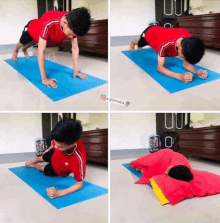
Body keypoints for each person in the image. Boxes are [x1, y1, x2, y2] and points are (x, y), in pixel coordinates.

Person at [11, 7, 91, 88]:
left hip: (41, 37)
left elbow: (75, 48)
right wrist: (44, 79)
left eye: (73, 35)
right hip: (32, 29)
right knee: (22, 43)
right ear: (65, 22)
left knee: (32, 43)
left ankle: (24, 49)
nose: (71, 37)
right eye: (70, 34)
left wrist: (76, 71)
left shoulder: (73, 22)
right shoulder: (49, 21)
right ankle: (16, 50)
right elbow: (41, 52)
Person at [25, 119, 86, 199]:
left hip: (58, 168)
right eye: (55, 142)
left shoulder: (78, 159)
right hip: (55, 154)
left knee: (41, 168)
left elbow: (79, 184)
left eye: (59, 146)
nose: (55, 146)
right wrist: (48, 149)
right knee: (40, 158)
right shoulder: (59, 140)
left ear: (72, 144)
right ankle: (35, 161)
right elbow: (55, 144)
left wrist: (59, 193)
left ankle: (34, 166)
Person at [129, 24, 208, 83]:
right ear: (180, 49)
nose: (184, 59)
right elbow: (160, 68)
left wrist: (197, 72)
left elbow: (186, 64)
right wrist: (180, 76)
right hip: (150, 32)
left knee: (154, 45)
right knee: (141, 43)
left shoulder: (189, 41)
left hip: (161, 32)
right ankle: (132, 42)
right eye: (184, 57)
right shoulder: (164, 44)